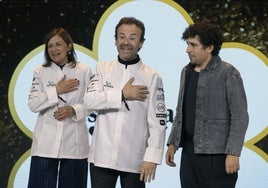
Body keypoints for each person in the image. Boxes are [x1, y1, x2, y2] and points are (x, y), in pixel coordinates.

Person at [83, 17, 166, 188]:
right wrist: (121, 94)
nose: (126, 42)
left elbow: (158, 122)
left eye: (132, 38)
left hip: (135, 159)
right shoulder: (102, 68)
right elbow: (89, 102)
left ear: (141, 43)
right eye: (121, 37)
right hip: (102, 157)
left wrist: (151, 158)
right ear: (115, 41)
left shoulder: (152, 76)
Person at [165, 20, 249, 188]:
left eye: (193, 45)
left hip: (217, 157)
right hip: (189, 155)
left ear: (209, 48)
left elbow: (240, 117)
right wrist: (173, 143)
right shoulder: (186, 71)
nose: (188, 49)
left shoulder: (228, 73)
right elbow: (181, 110)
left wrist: (233, 153)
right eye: (188, 44)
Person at [27, 28, 92, 188]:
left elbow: (92, 103)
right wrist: (56, 90)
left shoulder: (84, 70)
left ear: (69, 46)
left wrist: (74, 110)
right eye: (50, 46)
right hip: (45, 146)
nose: (53, 49)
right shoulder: (40, 71)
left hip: (75, 146)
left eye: (58, 44)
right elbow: (33, 104)